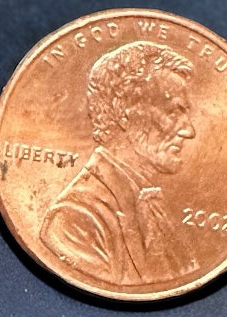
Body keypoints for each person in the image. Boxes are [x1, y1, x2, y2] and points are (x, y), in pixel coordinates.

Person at [40, 41, 199, 286]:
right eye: (173, 112)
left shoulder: (151, 201)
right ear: (124, 111)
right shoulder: (75, 219)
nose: (189, 131)